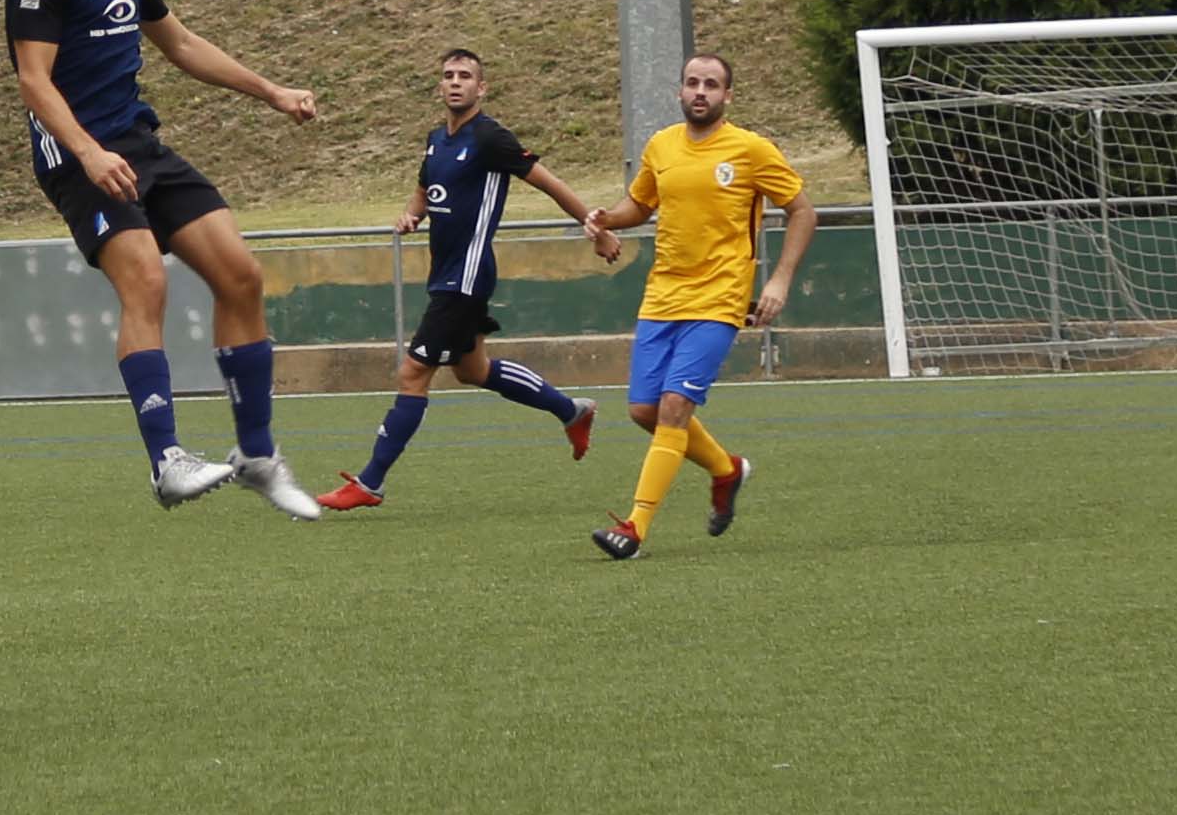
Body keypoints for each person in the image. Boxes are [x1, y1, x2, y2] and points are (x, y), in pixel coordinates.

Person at [4, 0, 327, 516]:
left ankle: (258, 455)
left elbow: (178, 44)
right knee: (145, 277)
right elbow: (34, 81)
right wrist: (87, 153)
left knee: (240, 274)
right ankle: (167, 460)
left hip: (138, 144)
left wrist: (270, 91)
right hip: (76, 154)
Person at [323, 47, 604, 508]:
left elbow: (549, 182)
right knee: (473, 370)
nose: (455, 82)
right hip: (447, 273)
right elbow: (424, 185)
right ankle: (571, 411)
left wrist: (594, 227)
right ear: (440, 85)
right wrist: (412, 215)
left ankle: (370, 482)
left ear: (481, 87)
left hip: (467, 275)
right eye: (449, 75)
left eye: (465, 76)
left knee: (413, 372)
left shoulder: (491, 137)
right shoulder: (438, 139)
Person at [582, 50, 814, 562]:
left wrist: (778, 279)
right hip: (663, 293)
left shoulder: (751, 150)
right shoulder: (662, 145)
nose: (701, 92)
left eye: (711, 84)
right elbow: (640, 204)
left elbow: (801, 211)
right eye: (692, 83)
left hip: (720, 297)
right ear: (680, 91)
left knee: (674, 407)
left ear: (728, 95)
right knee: (644, 410)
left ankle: (635, 527)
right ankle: (726, 470)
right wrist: (606, 220)